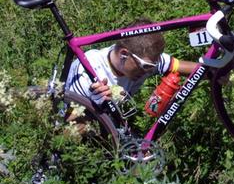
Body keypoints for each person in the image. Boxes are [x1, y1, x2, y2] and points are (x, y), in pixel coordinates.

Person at [65, 18, 197, 132]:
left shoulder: (145, 61)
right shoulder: (85, 75)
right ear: (124, 54)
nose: (150, 71)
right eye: (147, 66)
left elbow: (185, 67)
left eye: (152, 66)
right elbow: (64, 130)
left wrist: (215, 72)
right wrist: (95, 107)